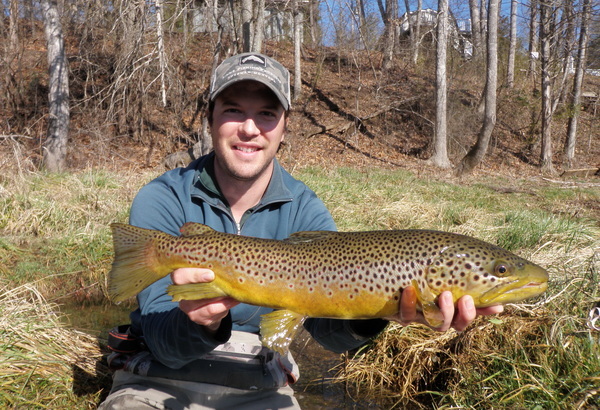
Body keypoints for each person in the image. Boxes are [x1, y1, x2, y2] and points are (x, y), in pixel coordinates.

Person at [99, 52, 502, 409]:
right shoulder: (163, 197)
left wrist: (380, 312)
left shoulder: (305, 209)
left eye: (267, 114)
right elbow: (162, 340)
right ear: (211, 118)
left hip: (261, 384)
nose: (250, 129)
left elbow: (328, 334)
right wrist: (198, 321)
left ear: (285, 126)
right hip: (154, 381)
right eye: (234, 110)